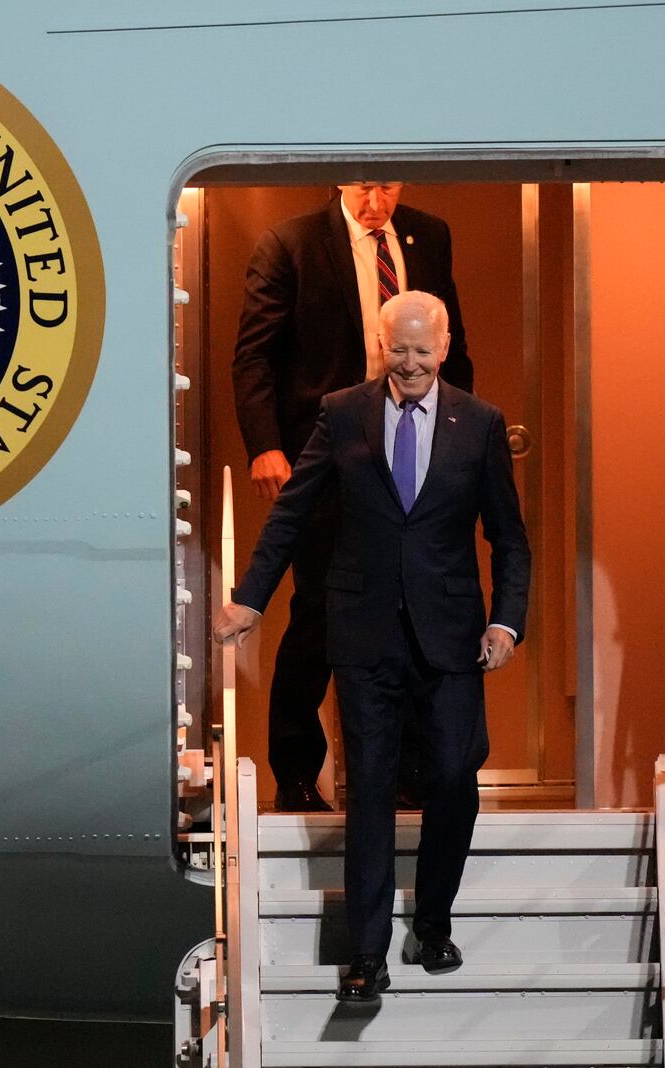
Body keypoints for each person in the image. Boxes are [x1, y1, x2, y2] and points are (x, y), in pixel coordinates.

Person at [215, 291, 529, 1004]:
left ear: (444, 347)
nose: (411, 362)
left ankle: (434, 921)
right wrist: (251, 597)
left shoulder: (478, 424)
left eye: (423, 349)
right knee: (371, 792)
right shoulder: (342, 411)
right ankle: (366, 957)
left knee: (453, 776)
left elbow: (509, 537)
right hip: (363, 633)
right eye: (399, 348)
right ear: (380, 344)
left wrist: (506, 623)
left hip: (452, 636)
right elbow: (293, 509)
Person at [231, 182, 473, 812]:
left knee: (414, 603)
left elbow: (456, 346)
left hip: (416, 446)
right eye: (364, 187)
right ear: (340, 181)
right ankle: (295, 771)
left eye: (387, 186)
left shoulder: (431, 233)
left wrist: (464, 441)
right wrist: (265, 444)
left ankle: (410, 770)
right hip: (330, 450)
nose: (376, 201)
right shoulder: (291, 242)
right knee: (318, 610)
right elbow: (254, 356)